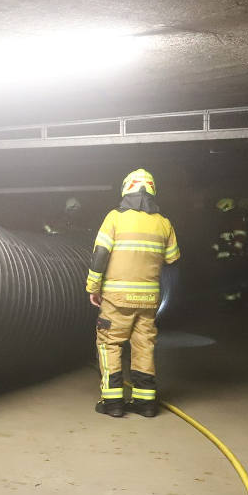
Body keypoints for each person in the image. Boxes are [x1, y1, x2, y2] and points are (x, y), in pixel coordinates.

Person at [85, 169, 180, 418]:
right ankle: (145, 403)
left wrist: (93, 288)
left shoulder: (114, 218)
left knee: (110, 345)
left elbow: (100, 256)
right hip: (149, 300)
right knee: (144, 346)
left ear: (126, 189)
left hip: (116, 299)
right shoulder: (164, 223)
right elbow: (172, 258)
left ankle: (113, 402)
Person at [211, 197, 247, 304]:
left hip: (232, 256)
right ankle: (233, 300)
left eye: (220, 209)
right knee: (228, 279)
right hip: (225, 256)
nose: (218, 212)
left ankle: (232, 302)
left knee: (231, 279)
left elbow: (240, 237)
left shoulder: (236, 220)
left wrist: (234, 251)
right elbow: (219, 239)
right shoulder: (224, 221)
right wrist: (213, 250)